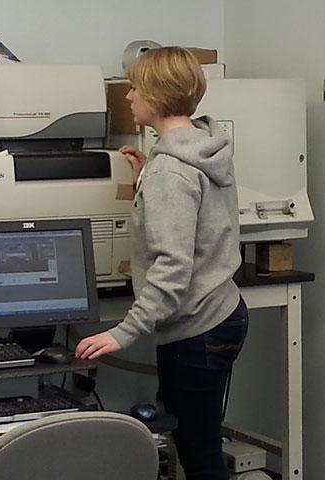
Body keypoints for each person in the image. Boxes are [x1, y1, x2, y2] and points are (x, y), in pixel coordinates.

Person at [74, 47, 248, 480]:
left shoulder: (170, 172)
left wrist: (122, 332)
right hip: (222, 313)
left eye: (135, 87)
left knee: (198, 453)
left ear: (156, 93)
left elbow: (172, 268)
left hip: (198, 328)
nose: (129, 96)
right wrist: (147, 177)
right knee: (200, 441)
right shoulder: (199, 148)